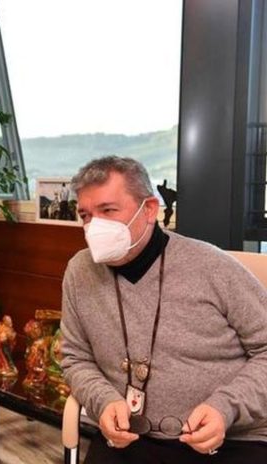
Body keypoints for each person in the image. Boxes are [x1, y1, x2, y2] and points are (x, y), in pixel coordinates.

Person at [60, 156, 267, 463]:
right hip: (129, 436)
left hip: (230, 437)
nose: (94, 226)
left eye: (108, 211)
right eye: (85, 215)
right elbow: (75, 358)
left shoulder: (212, 267)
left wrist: (227, 407)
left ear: (149, 210)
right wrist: (103, 400)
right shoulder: (80, 272)